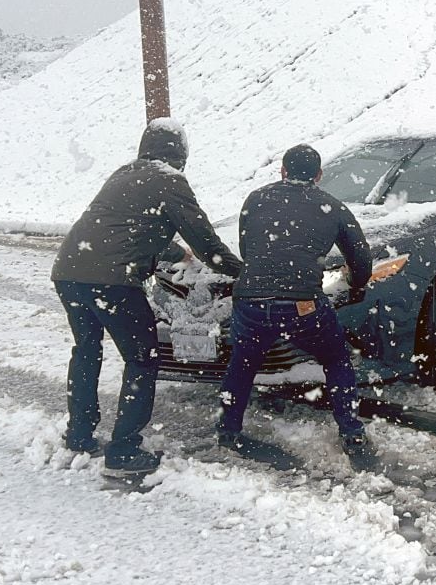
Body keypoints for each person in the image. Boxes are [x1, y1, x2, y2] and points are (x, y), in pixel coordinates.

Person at [51, 118, 243, 476]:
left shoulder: (124, 174)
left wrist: (178, 255)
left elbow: (129, 227)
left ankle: (79, 435)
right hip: (113, 281)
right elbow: (205, 240)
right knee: (142, 358)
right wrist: (243, 273)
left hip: (69, 271)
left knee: (86, 351)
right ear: (180, 154)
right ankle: (123, 452)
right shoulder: (170, 180)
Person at [218, 144, 375, 461]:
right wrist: (356, 283)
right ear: (319, 175)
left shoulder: (256, 198)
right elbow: (361, 259)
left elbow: (248, 250)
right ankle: (351, 432)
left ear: (283, 171)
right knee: (335, 358)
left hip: (250, 300)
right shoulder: (332, 206)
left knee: (242, 363)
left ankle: (228, 429)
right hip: (302, 304)